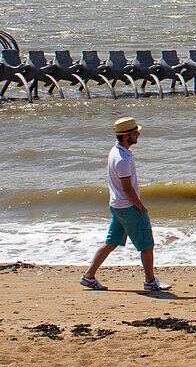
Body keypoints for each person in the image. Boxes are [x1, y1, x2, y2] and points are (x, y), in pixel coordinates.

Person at [80, 116, 170, 291]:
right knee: (146, 245)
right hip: (127, 207)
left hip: (117, 205)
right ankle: (150, 281)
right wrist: (140, 207)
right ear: (127, 136)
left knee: (111, 242)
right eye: (136, 133)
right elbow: (127, 189)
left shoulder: (115, 151)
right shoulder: (123, 159)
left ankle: (89, 276)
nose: (138, 135)